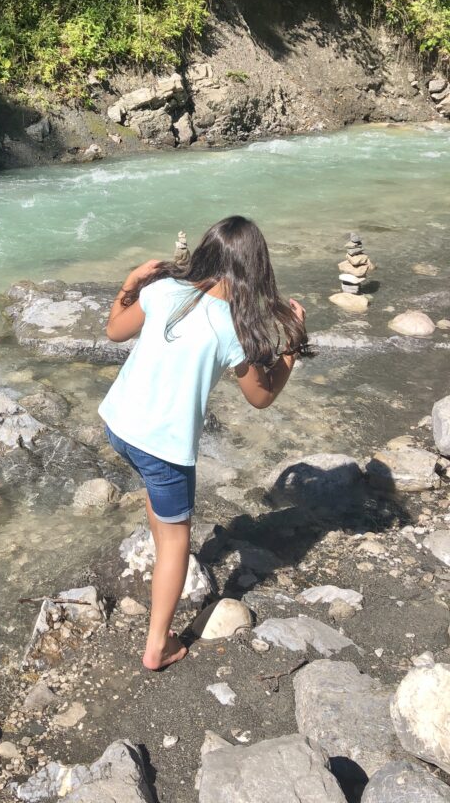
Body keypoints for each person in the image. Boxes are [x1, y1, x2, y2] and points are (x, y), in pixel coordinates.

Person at [98, 215, 309, 671]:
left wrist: (130, 282)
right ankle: (158, 646)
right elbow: (261, 396)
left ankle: (160, 534)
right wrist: (291, 347)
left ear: (203, 254)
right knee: (177, 542)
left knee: (159, 499)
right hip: (164, 449)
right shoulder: (236, 328)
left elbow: (114, 330)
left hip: (118, 424)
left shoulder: (160, 291)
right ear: (257, 271)